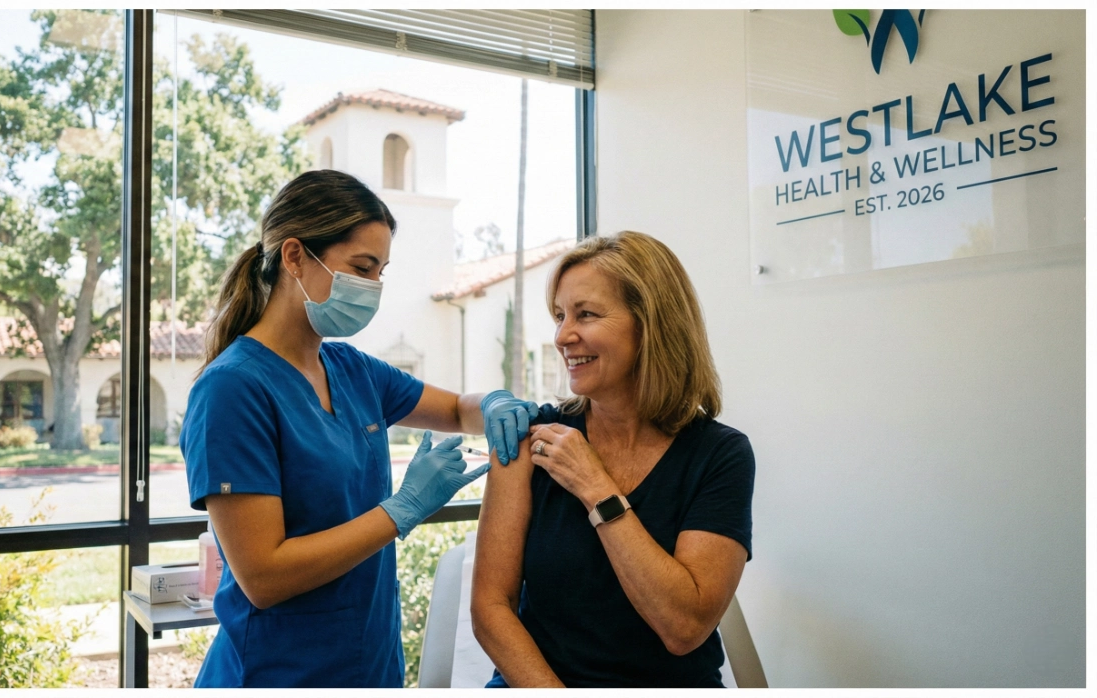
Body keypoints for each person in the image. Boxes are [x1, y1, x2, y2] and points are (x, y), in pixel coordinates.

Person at [179, 170, 540, 688]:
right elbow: (264, 576)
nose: (373, 287)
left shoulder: (351, 369)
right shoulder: (232, 389)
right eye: (361, 267)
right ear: (295, 256)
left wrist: (498, 403)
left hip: (368, 664)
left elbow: (459, 409)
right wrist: (403, 509)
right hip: (278, 672)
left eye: (381, 271)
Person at [471, 231, 756, 688]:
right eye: (560, 315)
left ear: (652, 325)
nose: (563, 336)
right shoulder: (529, 437)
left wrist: (596, 487)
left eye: (586, 314)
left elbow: (683, 629)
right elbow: (491, 609)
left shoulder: (719, 455)